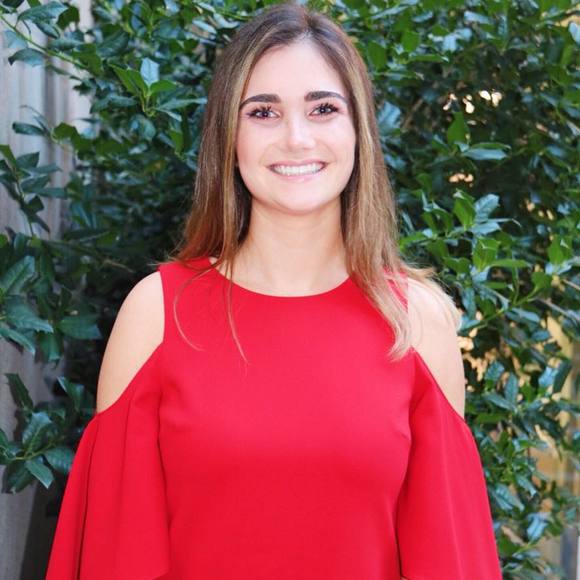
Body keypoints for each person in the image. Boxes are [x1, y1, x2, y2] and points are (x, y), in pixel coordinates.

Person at [45, 2, 503, 579]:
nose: (296, 138)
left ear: (358, 131)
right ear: (229, 137)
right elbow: (115, 557)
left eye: (323, 108)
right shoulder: (158, 313)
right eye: (263, 112)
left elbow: (448, 563)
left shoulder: (416, 321)